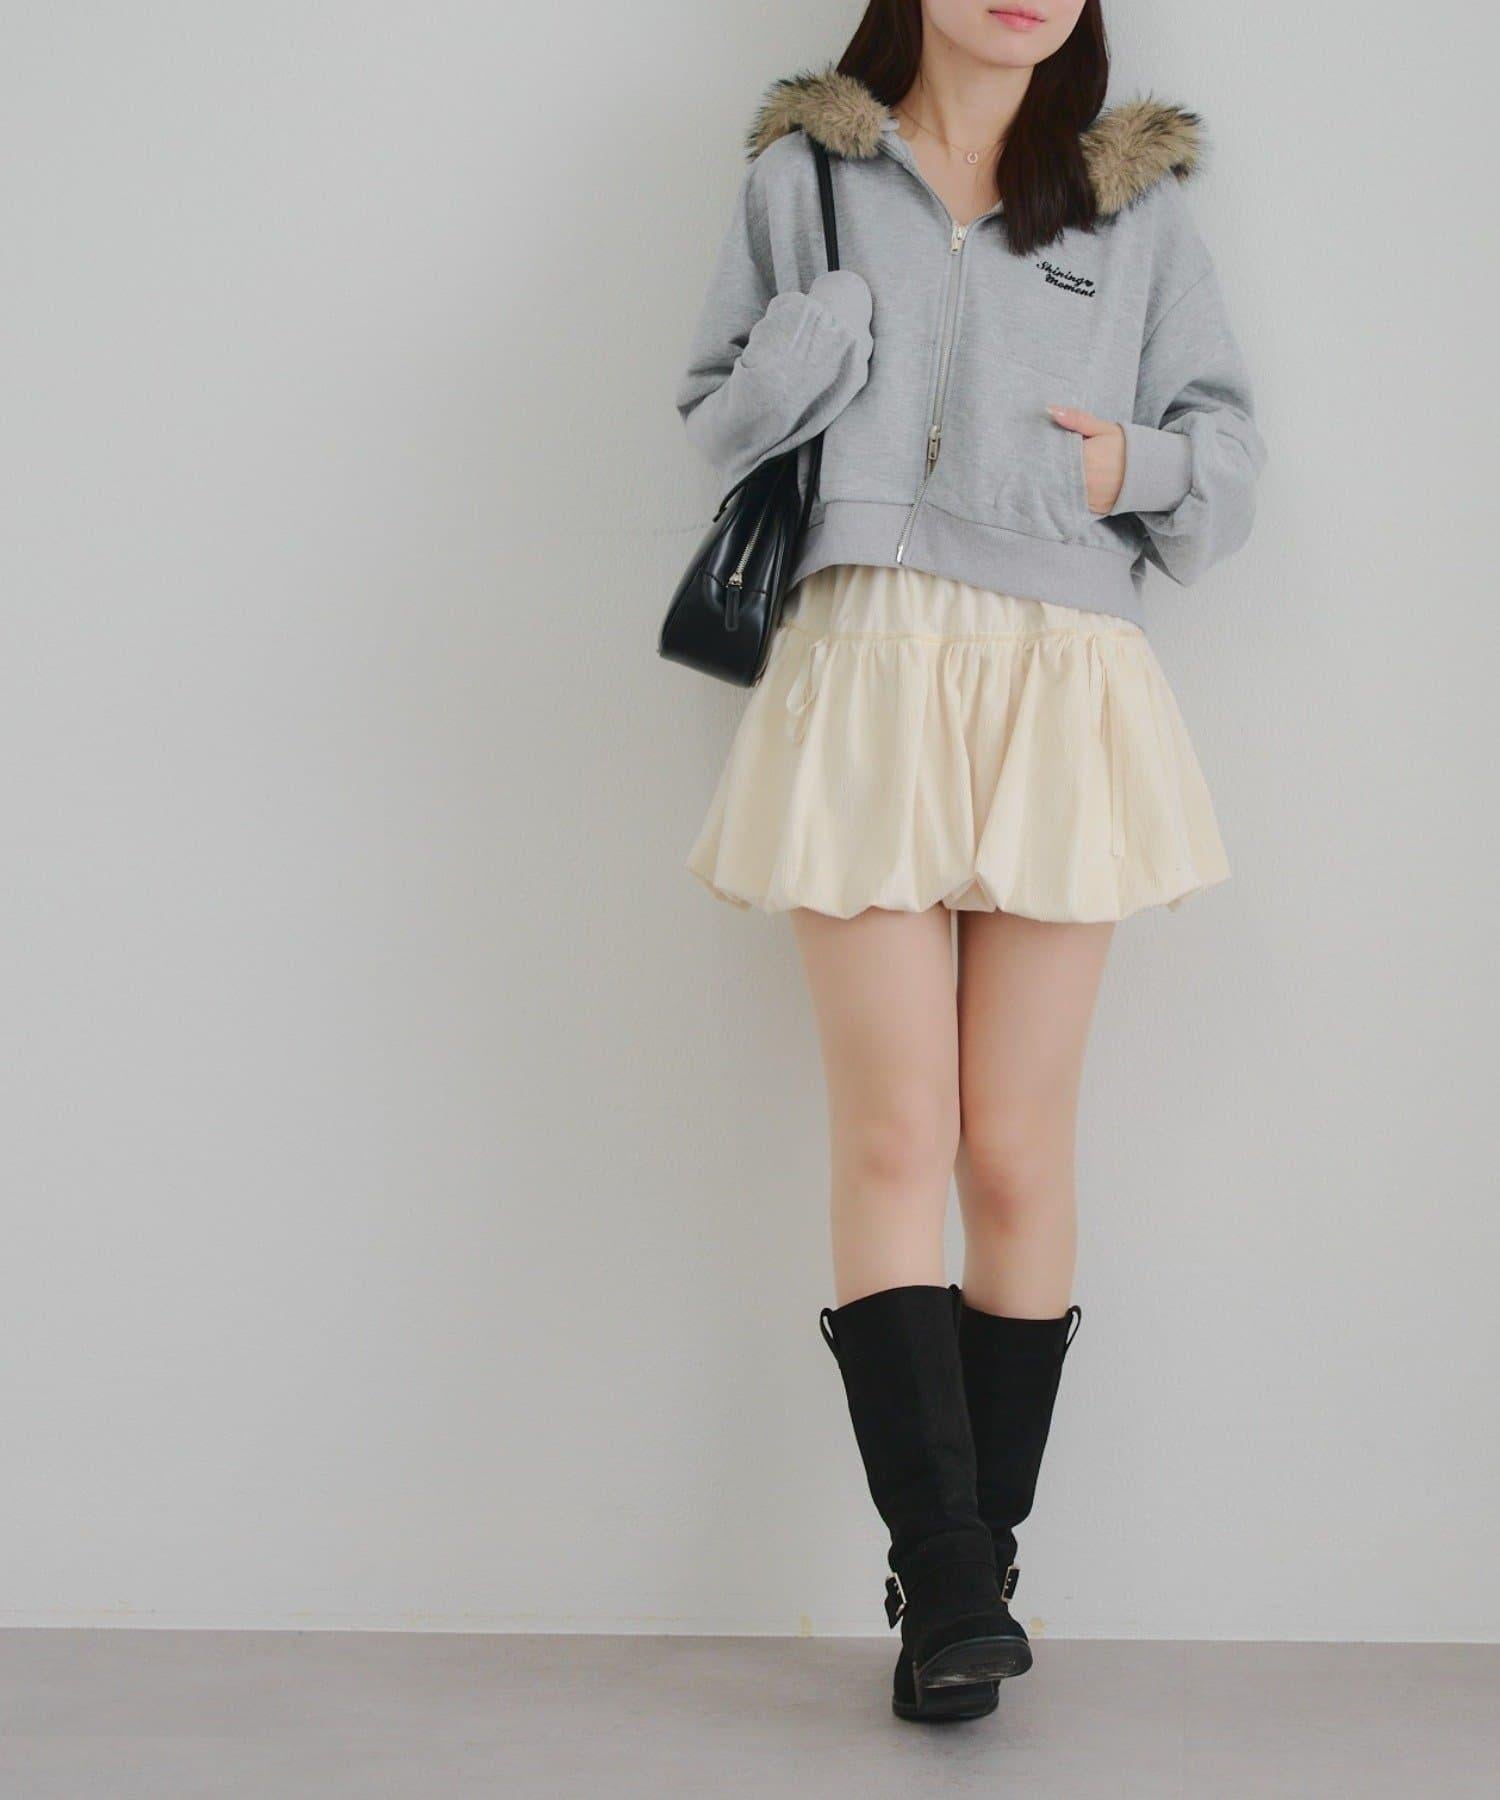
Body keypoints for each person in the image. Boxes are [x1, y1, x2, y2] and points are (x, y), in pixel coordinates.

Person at [674, 0, 1264, 1724]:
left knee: (1012, 1144)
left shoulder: (1133, 202)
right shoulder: (807, 174)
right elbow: (716, 415)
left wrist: (1134, 463)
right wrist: (816, 345)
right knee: (892, 1131)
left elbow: (1228, 463)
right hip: (865, 659)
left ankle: (973, 1579)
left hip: (1062, 674)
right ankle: (940, 1571)